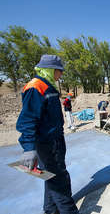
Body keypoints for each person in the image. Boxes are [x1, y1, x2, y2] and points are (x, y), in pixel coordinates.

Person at [16, 55, 79, 214]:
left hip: (55, 140)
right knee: (60, 183)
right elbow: (28, 119)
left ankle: (51, 210)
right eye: (60, 71)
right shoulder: (36, 87)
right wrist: (29, 148)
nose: (61, 75)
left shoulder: (48, 85)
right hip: (47, 143)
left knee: (50, 178)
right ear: (51, 70)